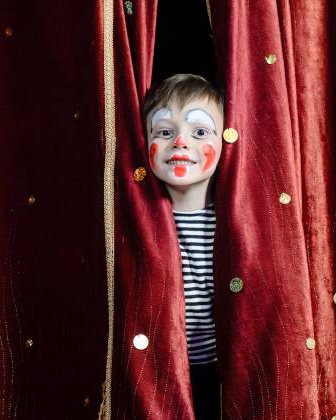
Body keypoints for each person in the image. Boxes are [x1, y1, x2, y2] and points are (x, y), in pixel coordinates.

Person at [143, 73, 224, 419]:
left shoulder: (237, 224)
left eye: (200, 132)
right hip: (157, 376)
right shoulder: (138, 222)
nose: (180, 141)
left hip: (218, 374)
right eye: (164, 131)